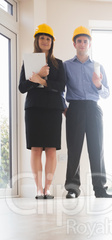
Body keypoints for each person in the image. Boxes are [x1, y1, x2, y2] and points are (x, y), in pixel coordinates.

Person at [63, 26, 112, 198]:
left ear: (89, 44)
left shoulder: (98, 67)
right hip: (75, 108)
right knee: (74, 149)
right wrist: (65, 108)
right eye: (79, 41)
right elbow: (60, 90)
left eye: (85, 41)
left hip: (93, 108)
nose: (82, 44)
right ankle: (72, 189)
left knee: (97, 148)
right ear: (74, 43)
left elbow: (107, 93)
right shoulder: (66, 66)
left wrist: (98, 84)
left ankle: (100, 189)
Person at [19, 23, 66, 199]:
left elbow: (61, 86)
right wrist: (36, 76)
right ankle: (39, 189)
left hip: (53, 109)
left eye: (48, 38)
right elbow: (22, 87)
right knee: (36, 149)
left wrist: (43, 81)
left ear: (51, 42)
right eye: (42, 38)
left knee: (52, 149)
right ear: (37, 41)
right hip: (34, 108)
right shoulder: (29, 61)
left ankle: (48, 188)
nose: (45, 41)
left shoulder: (58, 64)